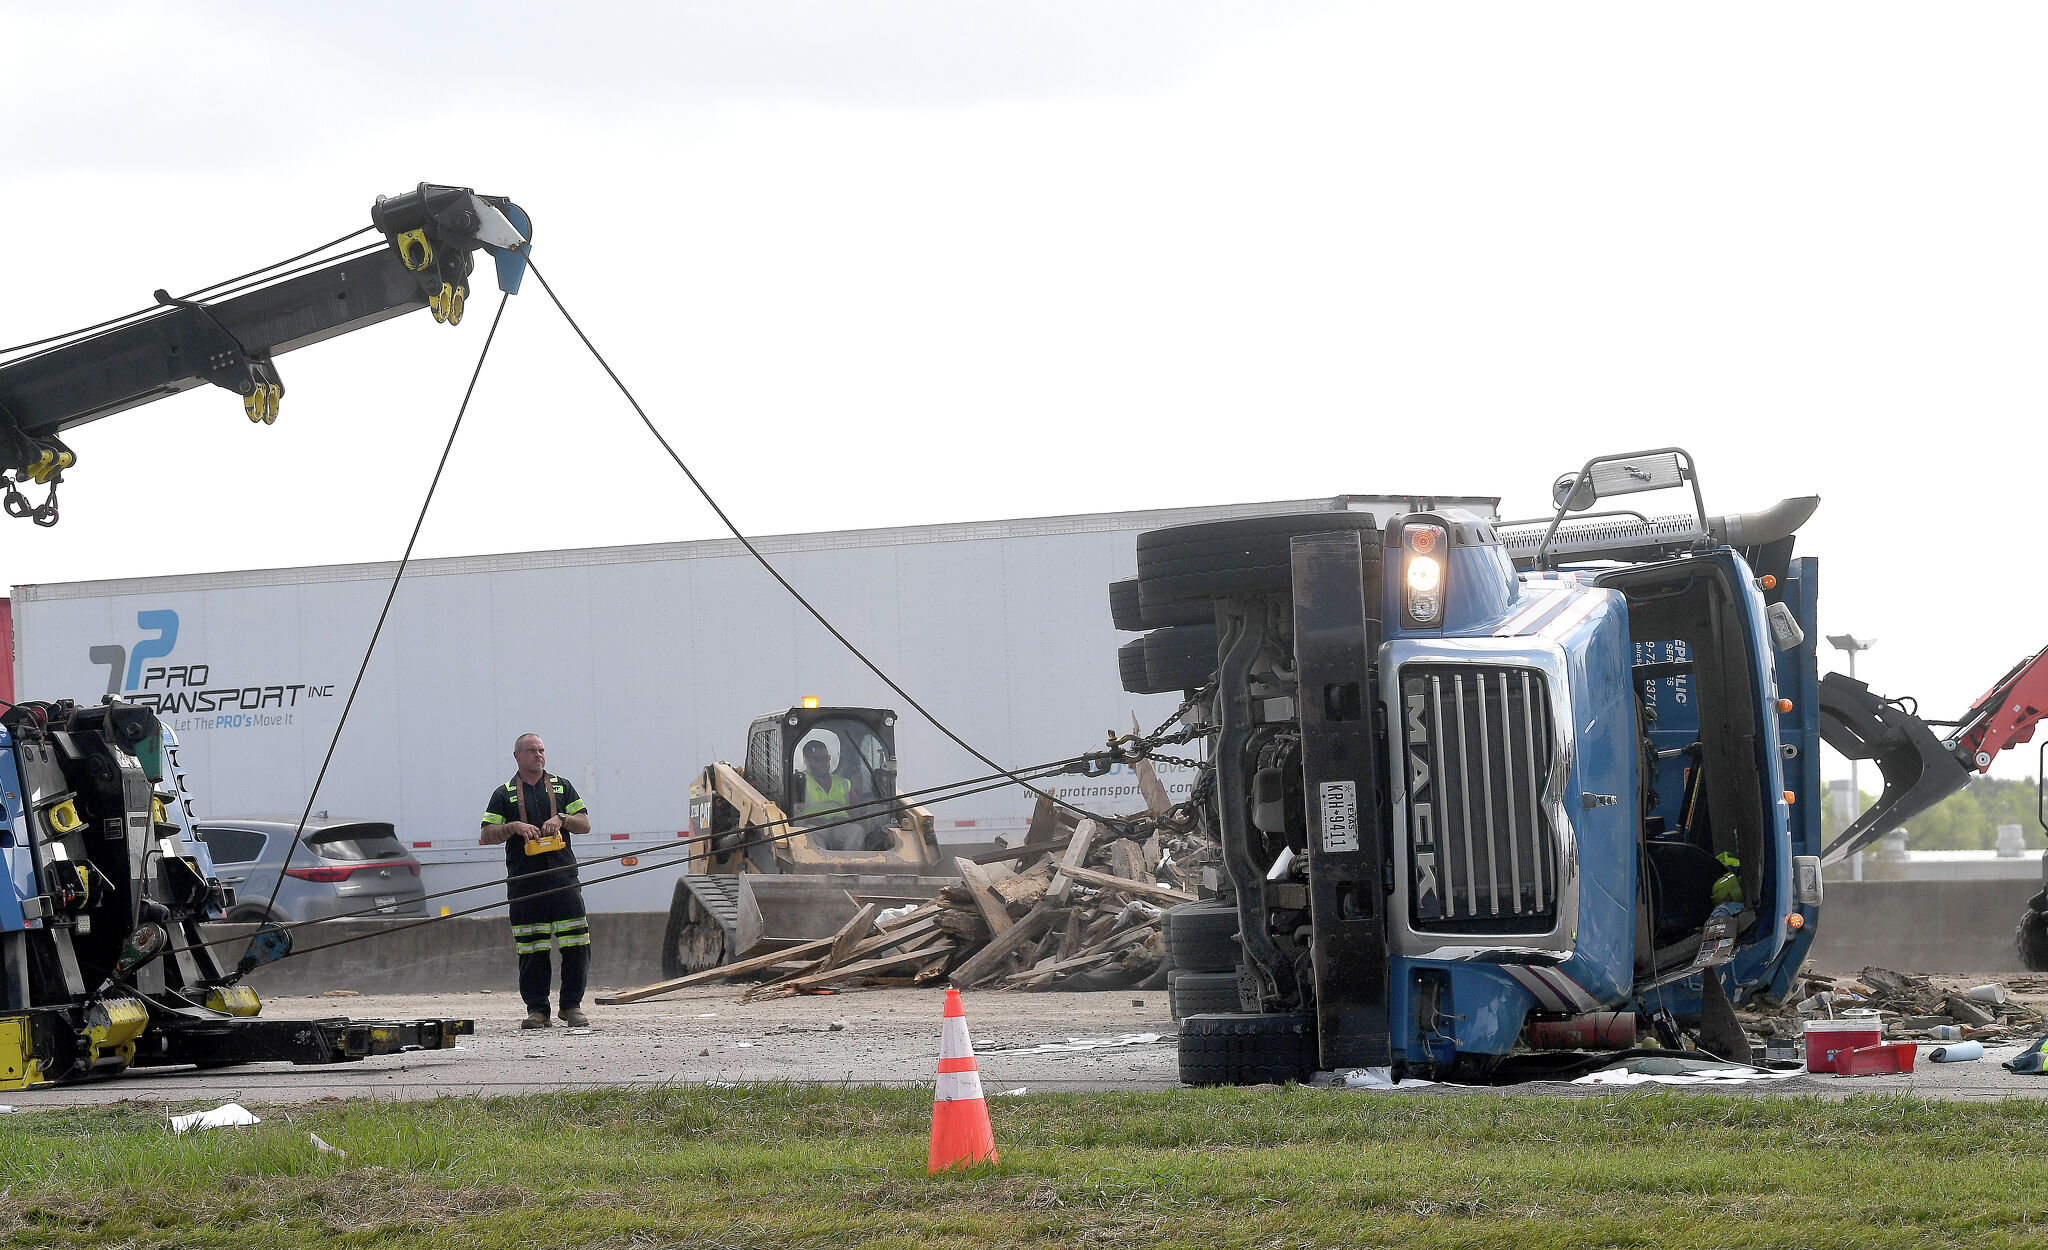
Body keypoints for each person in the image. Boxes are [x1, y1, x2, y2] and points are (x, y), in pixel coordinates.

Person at [479, 733, 593, 1029]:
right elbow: (486, 834)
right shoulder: (503, 794)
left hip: (564, 880)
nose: (538, 755)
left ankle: (571, 1006)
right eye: (531, 751)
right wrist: (513, 827)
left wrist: (562, 819)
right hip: (524, 884)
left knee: (576, 946)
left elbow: (585, 824)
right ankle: (537, 1010)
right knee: (532, 950)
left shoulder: (562, 787)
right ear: (517, 756)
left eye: (541, 750)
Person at [794, 738, 864, 850]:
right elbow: (793, 814)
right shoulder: (799, 781)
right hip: (814, 828)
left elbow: (857, 811)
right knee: (808, 835)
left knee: (857, 830)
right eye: (817, 759)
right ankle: (819, 865)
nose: (824, 763)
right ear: (807, 760)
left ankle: (850, 863)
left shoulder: (844, 783)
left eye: (826, 758)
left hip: (841, 827)